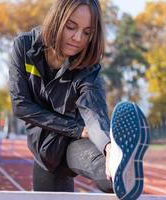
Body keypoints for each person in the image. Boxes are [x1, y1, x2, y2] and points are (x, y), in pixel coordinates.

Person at [8, 0, 150, 199]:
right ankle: (117, 167)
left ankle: (121, 168)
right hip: (45, 152)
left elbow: (93, 112)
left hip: (74, 143)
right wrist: (75, 129)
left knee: (104, 168)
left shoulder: (88, 67)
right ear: (57, 20)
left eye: (87, 32)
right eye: (71, 27)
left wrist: (109, 147)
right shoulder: (23, 47)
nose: (77, 38)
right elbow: (21, 106)